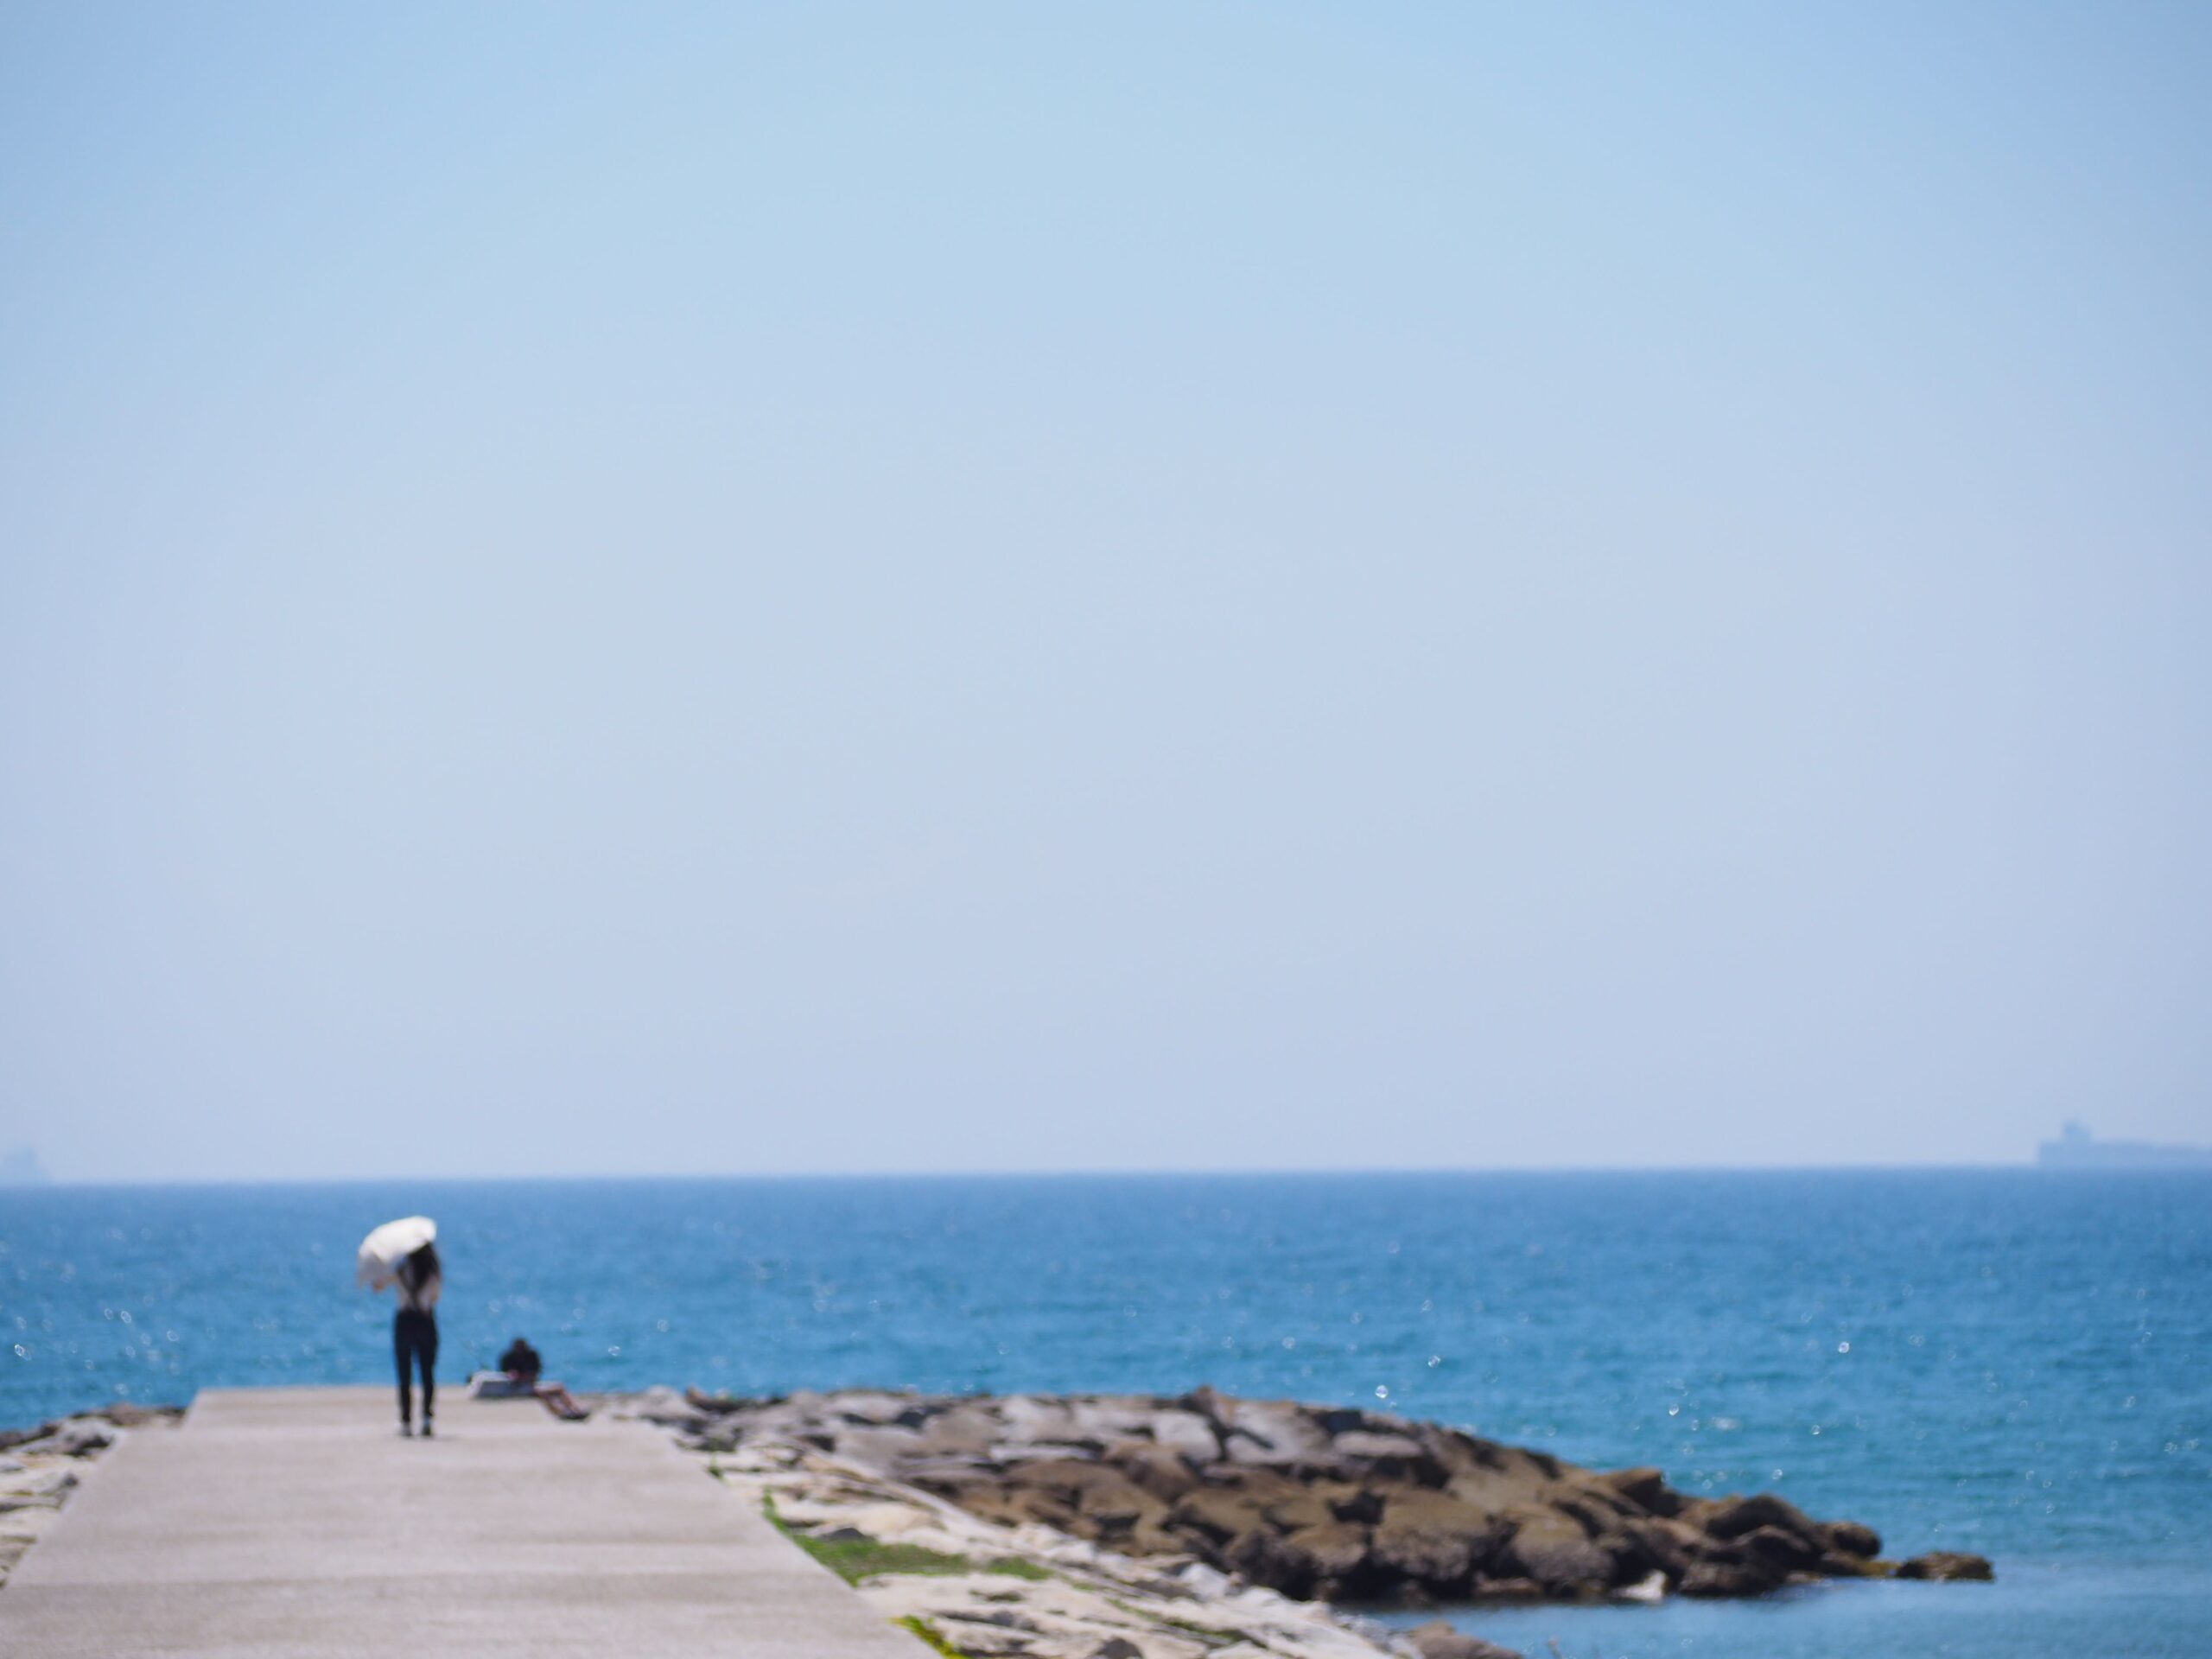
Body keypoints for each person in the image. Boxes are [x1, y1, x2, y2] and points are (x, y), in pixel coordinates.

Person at [391, 1242, 440, 1437]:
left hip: (404, 1321)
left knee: (405, 1373)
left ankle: (405, 1420)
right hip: (425, 1320)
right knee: (427, 1373)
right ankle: (427, 1418)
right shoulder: (432, 1271)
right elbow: (435, 1297)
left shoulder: (401, 1270)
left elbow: (378, 1286)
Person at [493, 1333, 588, 1421]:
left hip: (531, 1383)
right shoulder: (508, 1358)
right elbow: (506, 1376)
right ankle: (559, 1413)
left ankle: (574, 1410)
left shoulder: (531, 1355)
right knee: (541, 1392)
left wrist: (529, 1377)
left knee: (559, 1387)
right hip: (515, 1387)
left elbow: (536, 1371)